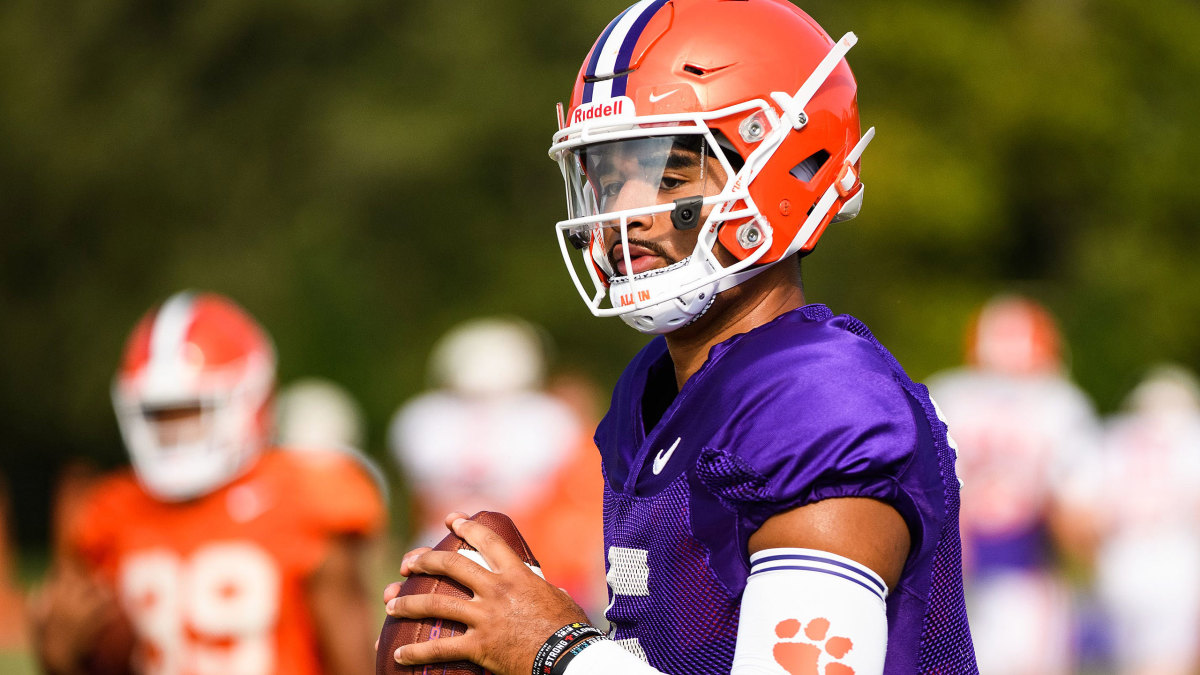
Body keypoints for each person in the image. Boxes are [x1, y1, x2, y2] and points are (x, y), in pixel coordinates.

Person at [383, 1, 976, 674]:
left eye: (669, 173)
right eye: (608, 176)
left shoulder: (822, 405)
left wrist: (556, 650)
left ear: (783, 164)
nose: (625, 212)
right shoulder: (652, 386)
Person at [29, 291, 385, 675]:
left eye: (192, 412)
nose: (176, 433)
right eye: (160, 416)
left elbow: (357, 666)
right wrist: (62, 663)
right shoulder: (111, 511)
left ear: (251, 399)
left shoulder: (309, 496)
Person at [925, 294, 1101, 675]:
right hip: (1026, 574)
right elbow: (1074, 519)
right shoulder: (1059, 404)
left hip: (949, 575)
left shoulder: (945, 393)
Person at [387, 317, 605, 613]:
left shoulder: (423, 422)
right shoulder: (550, 422)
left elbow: (421, 506)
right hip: (526, 562)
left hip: (439, 556)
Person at [1085, 365, 1200, 674]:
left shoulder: (1112, 437)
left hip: (1120, 561)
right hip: (1176, 562)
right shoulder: (1191, 437)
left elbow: (1086, 515)